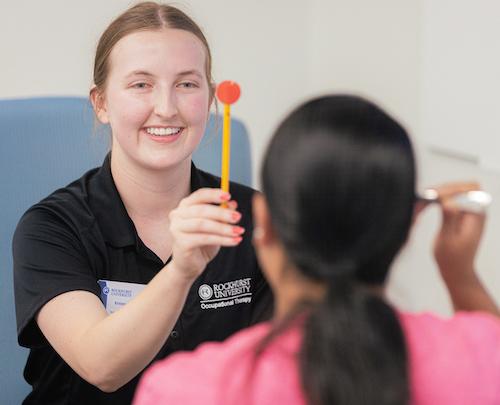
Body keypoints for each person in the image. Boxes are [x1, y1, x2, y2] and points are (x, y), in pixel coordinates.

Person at [133, 95, 500, 405]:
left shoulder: (183, 389)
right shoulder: (478, 355)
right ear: (406, 229)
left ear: (265, 223)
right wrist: (461, 276)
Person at [12, 2, 271, 404]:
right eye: (141, 85)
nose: (166, 108)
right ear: (101, 104)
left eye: (187, 84)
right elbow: (102, 367)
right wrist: (182, 270)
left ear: (211, 99)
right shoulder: (51, 227)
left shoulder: (256, 218)